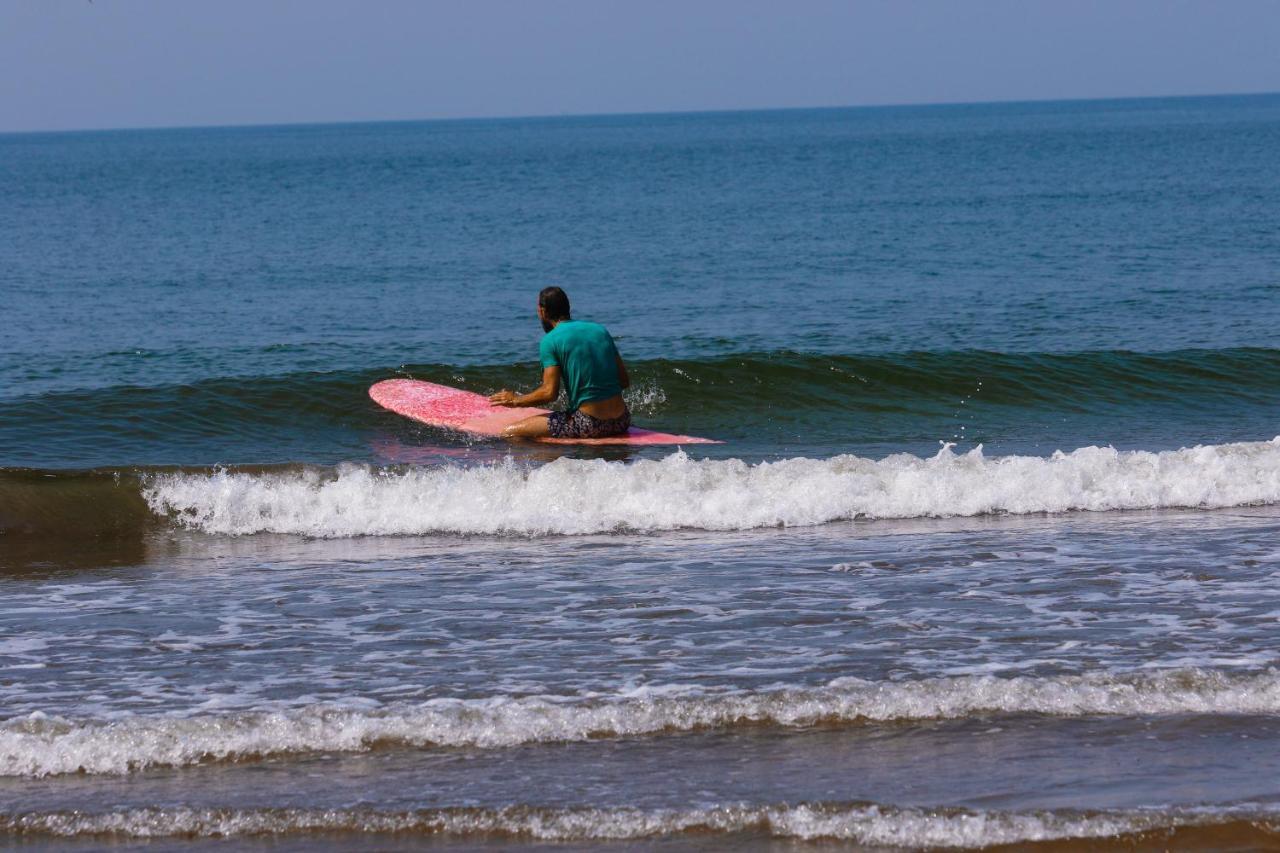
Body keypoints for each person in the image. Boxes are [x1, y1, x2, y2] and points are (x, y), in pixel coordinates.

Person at [488, 286, 631, 439]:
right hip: (622, 421)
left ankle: (549, 462)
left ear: (542, 311)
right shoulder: (600, 330)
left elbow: (549, 393)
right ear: (568, 307)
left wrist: (515, 400)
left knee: (510, 433)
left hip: (590, 424)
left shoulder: (550, 340)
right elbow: (623, 381)